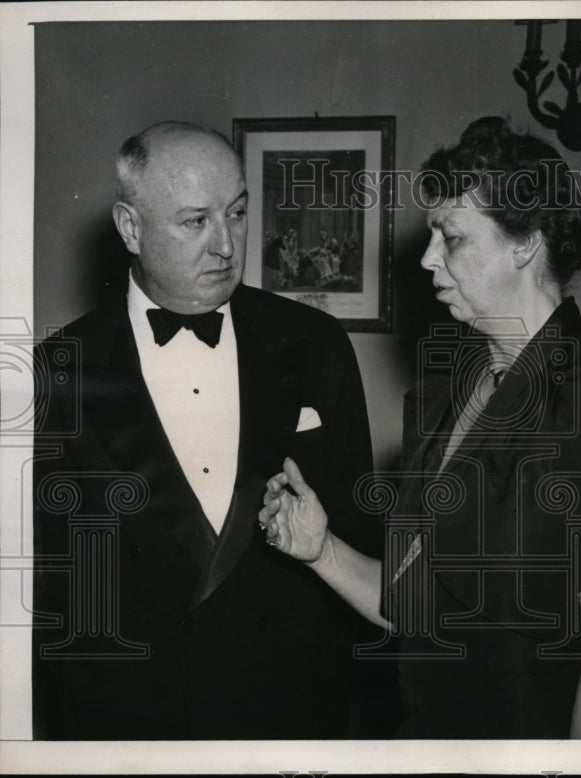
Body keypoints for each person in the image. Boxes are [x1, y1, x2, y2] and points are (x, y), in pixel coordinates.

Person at [259, 116, 581, 738]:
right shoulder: (445, 396)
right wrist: (322, 551)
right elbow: (411, 607)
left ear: (525, 242)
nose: (427, 259)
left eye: (450, 238)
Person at [32, 121, 387, 739]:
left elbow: (360, 537)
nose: (226, 244)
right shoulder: (58, 368)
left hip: (287, 713)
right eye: (195, 221)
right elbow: (42, 588)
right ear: (130, 228)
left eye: (239, 212)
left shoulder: (316, 344)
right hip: (128, 723)